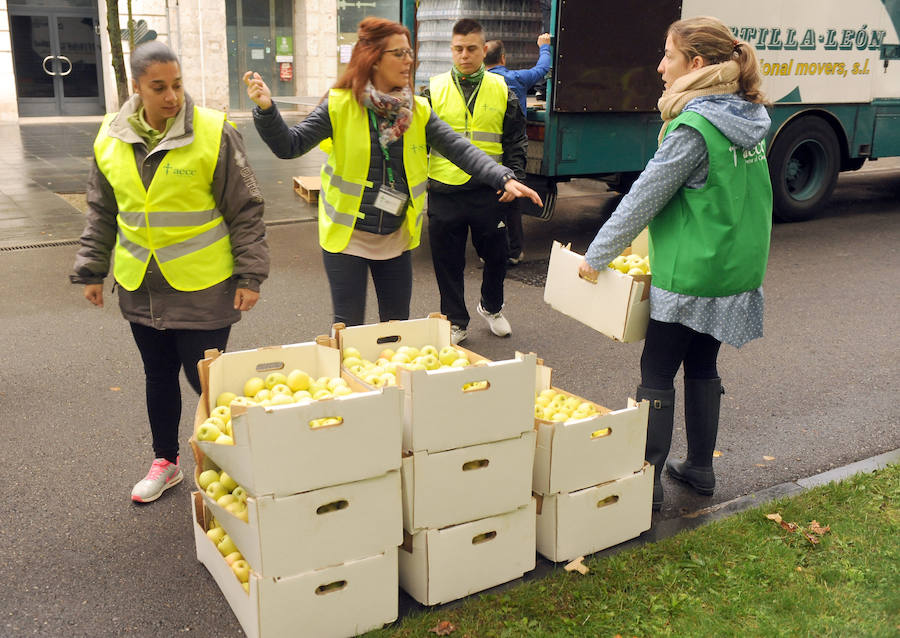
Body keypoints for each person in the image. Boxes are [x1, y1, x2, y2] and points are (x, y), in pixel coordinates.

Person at [578, 16, 772, 511]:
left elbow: (643, 198)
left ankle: (650, 476)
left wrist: (596, 256)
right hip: (732, 266)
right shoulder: (749, 117)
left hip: (691, 271)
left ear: (697, 64)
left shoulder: (693, 126)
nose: (660, 66)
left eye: (668, 56)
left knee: (658, 367)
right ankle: (700, 467)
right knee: (703, 361)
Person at [71, 40, 269, 504]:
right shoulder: (110, 136)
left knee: (206, 383)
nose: (172, 97)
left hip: (205, 288)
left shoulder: (214, 132)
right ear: (136, 87)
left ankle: (230, 466)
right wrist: (92, 270)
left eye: (177, 85)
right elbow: (102, 211)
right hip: (141, 287)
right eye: (158, 87)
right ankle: (167, 463)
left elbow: (246, 210)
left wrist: (250, 276)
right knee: (157, 377)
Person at [246, 18, 540, 329]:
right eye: (398, 53)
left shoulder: (416, 109)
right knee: (350, 331)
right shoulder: (340, 104)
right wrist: (267, 110)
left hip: (396, 235)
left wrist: (503, 176)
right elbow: (289, 146)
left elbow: (460, 149)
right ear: (373, 57)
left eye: (409, 53)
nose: (408, 61)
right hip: (347, 237)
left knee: (396, 330)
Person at [424, 18, 530, 345]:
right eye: (458, 49)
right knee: (447, 263)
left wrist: (513, 176)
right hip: (444, 191)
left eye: (471, 49)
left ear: (484, 50)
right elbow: (417, 142)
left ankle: (492, 306)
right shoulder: (433, 89)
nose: (464, 55)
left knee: (499, 256)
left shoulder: (501, 89)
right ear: (451, 50)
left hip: (490, 190)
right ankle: (456, 321)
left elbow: (516, 139)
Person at [485, 32, 552, 265]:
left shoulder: (480, 84)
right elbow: (543, 68)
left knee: (489, 198)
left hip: (488, 151)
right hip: (514, 150)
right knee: (511, 199)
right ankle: (514, 251)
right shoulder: (517, 78)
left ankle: (490, 249)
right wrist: (544, 46)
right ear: (503, 58)